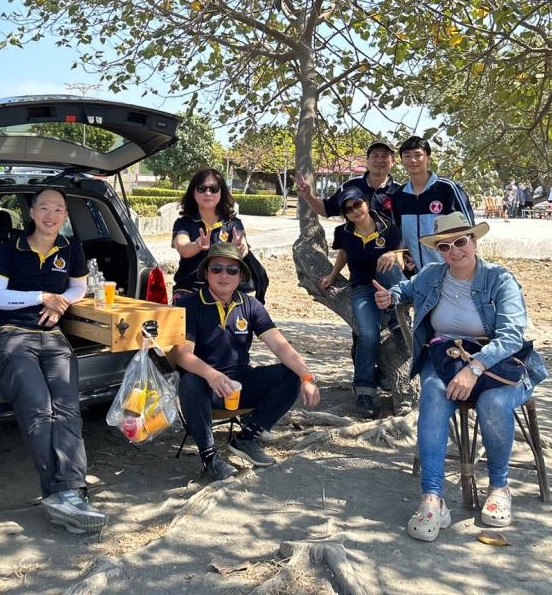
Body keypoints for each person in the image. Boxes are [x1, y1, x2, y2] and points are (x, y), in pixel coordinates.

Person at [373, 213, 548, 542]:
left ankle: (499, 487)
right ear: (438, 250)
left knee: (493, 403)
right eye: (444, 246)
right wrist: (392, 296)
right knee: (433, 395)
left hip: (499, 363)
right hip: (446, 358)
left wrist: (475, 367)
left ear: (474, 241)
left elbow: (512, 336)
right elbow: (406, 288)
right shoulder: (432, 275)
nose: (454, 250)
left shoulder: (500, 279)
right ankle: (433, 498)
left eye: (460, 241)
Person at [0, 186, 106, 534]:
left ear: (65, 215)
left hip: (53, 336)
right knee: (38, 407)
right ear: (32, 213)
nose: (51, 215)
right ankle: (62, 495)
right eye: (45, 208)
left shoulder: (71, 248)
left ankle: (70, 494)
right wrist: (43, 296)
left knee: (67, 407)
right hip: (10, 334)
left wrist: (61, 303)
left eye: (58, 209)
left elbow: (79, 287)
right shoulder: (11, 248)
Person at [169, 243, 321, 480]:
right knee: (189, 382)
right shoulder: (189, 305)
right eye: (217, 268)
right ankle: (210, 458)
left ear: (240, 276)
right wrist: (212, 375)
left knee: (291, 375)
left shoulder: (250, 305)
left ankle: (247, 438)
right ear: (206, 273)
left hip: (240, 385)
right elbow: (182, 354)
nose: (224, 275)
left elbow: (280, 346)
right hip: (205, 386)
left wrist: (307, 377)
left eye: (232, 270)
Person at [319, 188, 405, 418]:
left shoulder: (389, 227)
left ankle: (398, 320)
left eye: (357, 204)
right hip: (363, 289)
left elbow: (400, 262)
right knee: (367, 334)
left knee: (385, 264)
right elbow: (344, 254)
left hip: (389, 285)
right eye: (348, 209)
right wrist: (333, 275)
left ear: (366, 203)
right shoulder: (343, 232)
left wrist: (392, 255)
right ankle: (365, 393)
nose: (354, 211)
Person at [391, 136, 476, 271]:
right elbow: (397, 233)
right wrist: (404, 255)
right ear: (402, 160)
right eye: (407, 156)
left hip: (449, 269)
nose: (412, 160)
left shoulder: (447, 189)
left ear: (428, 159)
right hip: (415, 273)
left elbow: (469, 230)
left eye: (418, 155)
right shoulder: (399, 195)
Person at [171, 168, 251, 302]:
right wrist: (197, 245)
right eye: (202, 189)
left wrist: (238, 249)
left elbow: (242, 246)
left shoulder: (233, 223)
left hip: (224, 290)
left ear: (221, 192)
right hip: (190, 289)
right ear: (193, 192)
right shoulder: (183, 223)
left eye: (214, 189)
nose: (208, 193)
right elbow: (183, 247)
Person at [295, 139, 401, 222]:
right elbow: (325, 210)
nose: (379, 160)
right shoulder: (350, 186)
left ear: (393, 162)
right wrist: (308, 195)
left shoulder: (400, 191)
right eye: (375, 155)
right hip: (355, 244)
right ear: (367, 160)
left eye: (385, 156)